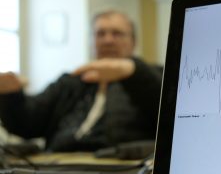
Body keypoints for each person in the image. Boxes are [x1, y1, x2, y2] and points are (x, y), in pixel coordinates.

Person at [0, 10, 162, 152]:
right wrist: (10, 94)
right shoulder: (71, 81)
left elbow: (168, 113)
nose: (108, 40)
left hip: (121, 169)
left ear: (133, 42)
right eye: (100, 34)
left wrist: (132, 71)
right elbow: (27, 124)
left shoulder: (153, 77)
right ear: (91, 41)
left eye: (117, 33)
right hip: (58, 167)